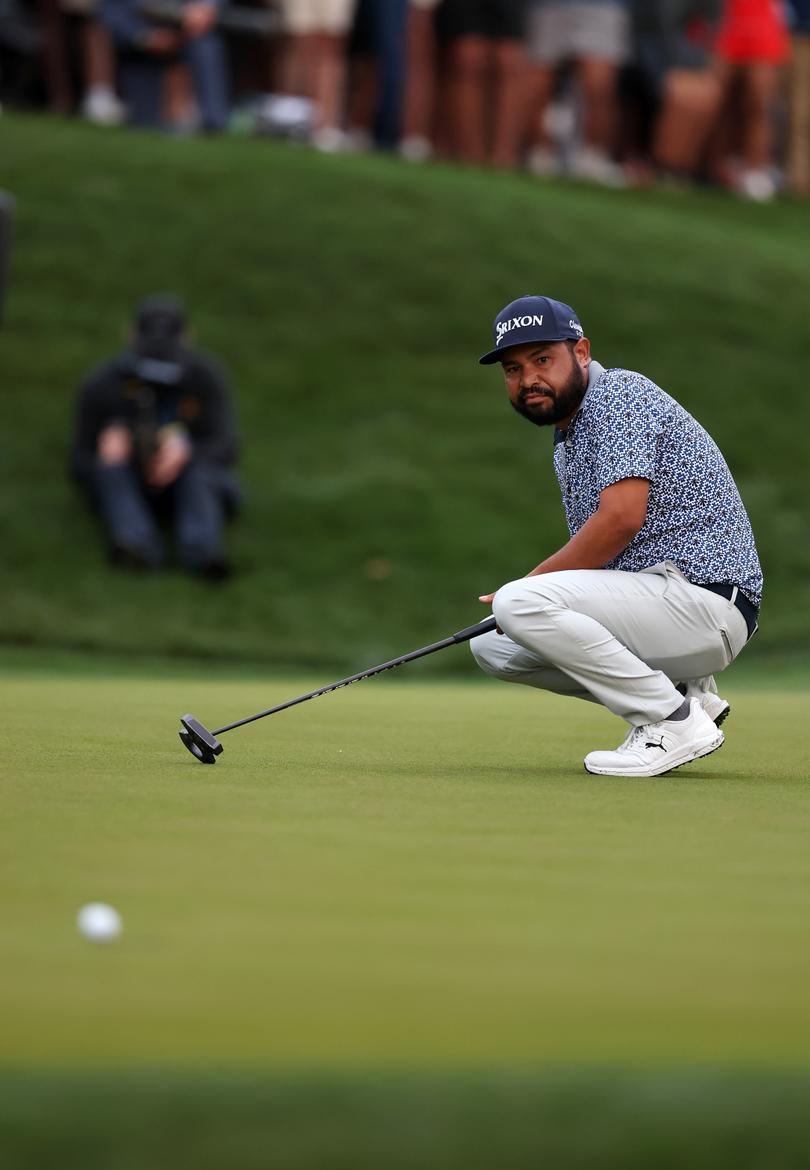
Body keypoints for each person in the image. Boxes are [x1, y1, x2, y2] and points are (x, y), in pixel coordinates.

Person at [470, 295, 762, 778]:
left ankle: (671, 721)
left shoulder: (617, 395)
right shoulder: (571, 432)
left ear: (581, 352)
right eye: (513, 369)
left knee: (519, 604)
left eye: (543, 360)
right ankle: (688, 699)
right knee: (493, 648)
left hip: (706, 603)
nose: (528, 380)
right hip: (667, 606)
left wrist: (523, 589)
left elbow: (620, 520)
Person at [71, 295, 240, 578]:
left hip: (193, 483)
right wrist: (108, 457)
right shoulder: (102, 384)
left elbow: (228, 447)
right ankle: (136, 547)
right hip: (133, 484)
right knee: (111, 471)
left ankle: (202, 553)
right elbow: (77, 462)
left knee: (201, 471)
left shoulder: (205, 377)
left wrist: (185, 453)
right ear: (130, 336)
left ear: (187, 338)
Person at [524, 0, 631, 182]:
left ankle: (593, 159)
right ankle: (540, 157)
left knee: (599, 85)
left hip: (603, 6)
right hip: (547, 6)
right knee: (539, 82)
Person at [99, 0, 229, 131]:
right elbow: (111, 10)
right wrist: (143, 36)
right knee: (144, 123)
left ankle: (207, 117)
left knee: (205, 43)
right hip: (139, 40)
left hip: (192, 27)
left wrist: (207, 6)